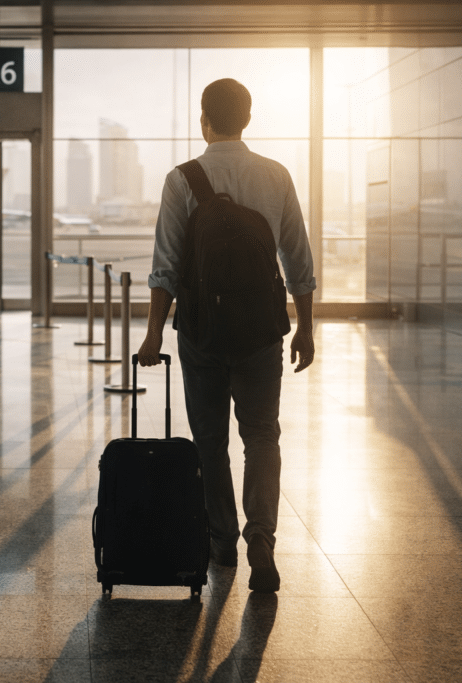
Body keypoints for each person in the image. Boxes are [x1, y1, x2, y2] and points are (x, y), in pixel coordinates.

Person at [137, 78, 316, 593]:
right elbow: (298, 261)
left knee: (211, 440)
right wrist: (305, 326)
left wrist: (154, 334)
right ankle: (261, 535)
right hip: (262, 330)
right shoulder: (276, 175)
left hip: (202, 331)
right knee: (261, 433)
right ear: (249, 118)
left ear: (204, 120)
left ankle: (221, 539)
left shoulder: (182, 180)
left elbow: (165, 267)